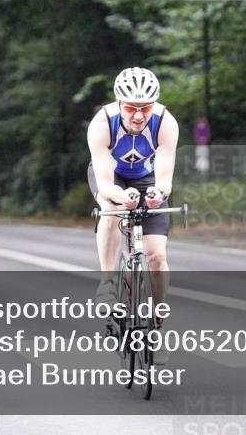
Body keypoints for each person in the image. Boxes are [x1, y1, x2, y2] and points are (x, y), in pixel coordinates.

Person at [87, 67, 179, 361]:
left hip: (147, 178)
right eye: (130, 108)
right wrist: (120, 196)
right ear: (118, 103)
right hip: (112, 178)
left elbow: (164, 178)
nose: (138, 115)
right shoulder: (102, 123)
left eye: (146, 108)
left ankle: (157, 325)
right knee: (112, 209)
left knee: (157, 256)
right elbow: (105, 183)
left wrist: (157, 194)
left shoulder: (165, 122)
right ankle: (108, 282)